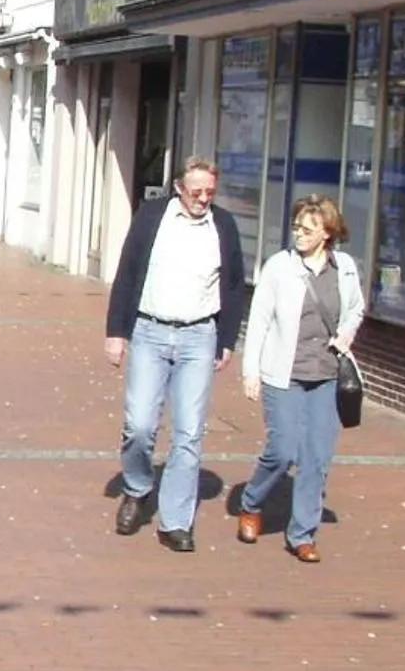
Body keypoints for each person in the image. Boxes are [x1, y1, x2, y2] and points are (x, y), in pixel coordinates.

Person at [105, 156, 248, 552]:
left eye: (210, 192)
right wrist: (116, 332)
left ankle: (176, 522)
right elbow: (127, 273)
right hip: (150, 332)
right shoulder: (152, 217)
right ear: (179, 188)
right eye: (196, 191)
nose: (203, 199)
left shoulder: (223, 226)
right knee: (139, 425)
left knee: (188, 432)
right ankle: (136, 488)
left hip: (198, 337)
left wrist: (226, 339)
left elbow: (234, 286)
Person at [238, 195, 366, 563]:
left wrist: (346, 334)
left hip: (326, 375)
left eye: (308, 230)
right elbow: (259, 321)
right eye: (296, 228)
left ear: (327, 233)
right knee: (282, 451)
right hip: (285, 373)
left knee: (316, 457)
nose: (299, 234)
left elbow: (356, 308)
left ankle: (302, 535)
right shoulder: (279, 267)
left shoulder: (344, 268)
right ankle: (251, 502)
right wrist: (251, 372)